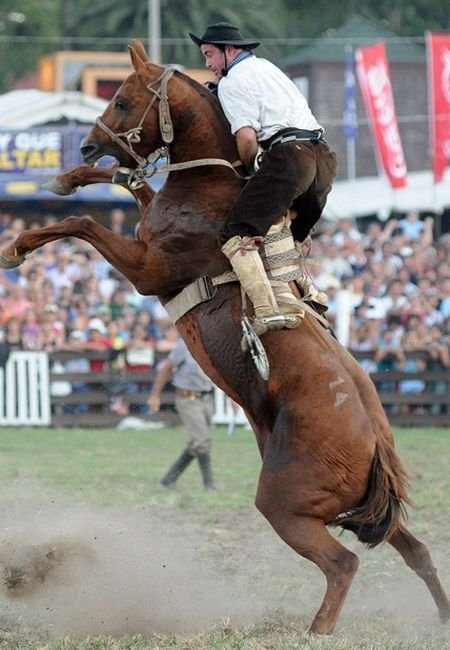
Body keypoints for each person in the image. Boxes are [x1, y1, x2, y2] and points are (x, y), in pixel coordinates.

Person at [189, 22, 337, 335]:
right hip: (323, 160)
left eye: (209, 55)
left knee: (235, 233)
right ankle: (307, 289)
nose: (208, 64)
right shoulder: (266, 67)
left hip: (291, 158)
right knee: (283, 225)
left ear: (229, 51)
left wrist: (252, 167)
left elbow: (245, 139)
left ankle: (268, 310)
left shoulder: (232, 81)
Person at [148, 337, 216, 490]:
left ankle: (169, 478)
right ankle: (209, 484)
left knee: (196, 443)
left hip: (206, 398)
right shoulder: (184, 345)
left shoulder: (211, 343)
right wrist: (155, 394)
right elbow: (166, 368)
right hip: (188, 398)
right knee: (202, 440)